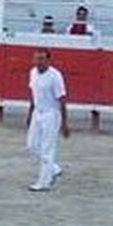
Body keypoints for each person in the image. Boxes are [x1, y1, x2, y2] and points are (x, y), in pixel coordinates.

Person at [26, 48, 69, 191]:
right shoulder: (32, 72)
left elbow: (62, 99)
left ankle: (44, 182)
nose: (39, 62)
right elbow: (33, 95)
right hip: (37, 113)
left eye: (42, 59)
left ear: (48, 60)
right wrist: (29, 114)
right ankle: (54, 168)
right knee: (31, 146)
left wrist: (64, 122)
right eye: (37, 58)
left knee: (47, 149)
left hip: (51, 113)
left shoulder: (55, 76)